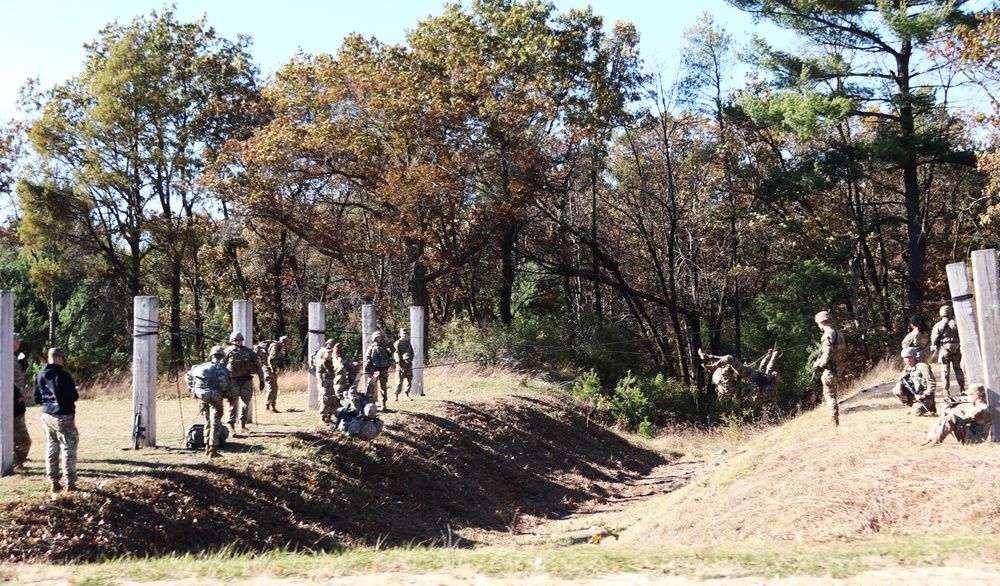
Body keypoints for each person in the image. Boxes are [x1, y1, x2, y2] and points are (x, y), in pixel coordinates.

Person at [33, 347, 79, 499]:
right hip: (63, 417)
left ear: (48, 359)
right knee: (69, 449)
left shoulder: (40, 374)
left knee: (52, 447)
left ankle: (54, 482)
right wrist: (74, 389)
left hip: (47, 416)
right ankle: (70, 483)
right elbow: (73, 396)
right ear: (60, 358)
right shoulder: (63, 375)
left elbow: (37, 398)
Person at [922, 384, 991, 446]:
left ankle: (936, 441)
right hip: (970, 433)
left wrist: (951, 414)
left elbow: (967, 418)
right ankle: (930, 439)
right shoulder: (974, 405)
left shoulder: (982, 408)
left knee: (951, 417)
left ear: (977, 395)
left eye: (970, 394)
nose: (968, 396)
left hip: (976, 439)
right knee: (945, 416)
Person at [224, 331, 265, 432]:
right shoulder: (227, 352)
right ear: (231, 341)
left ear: (242, 341)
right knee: (232, 404)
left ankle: (242, 425)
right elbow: (221, 367)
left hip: (246, 381)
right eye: (235, 340)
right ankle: (231, 426)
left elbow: (258, 366)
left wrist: (261, 379)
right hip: (233, 381)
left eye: (239, 340)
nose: (238, 342)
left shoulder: (249, 352)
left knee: (245, 404)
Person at [813, 311, 845, 426]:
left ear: (822, 322)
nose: (818, 326)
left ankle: (834, 421)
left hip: (831, 369)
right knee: (832, 393)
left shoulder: (828, 335)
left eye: (818, 323)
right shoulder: (838, 333)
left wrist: (819, 365)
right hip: (838, 366)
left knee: (829, 394)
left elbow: (827, 354)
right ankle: (833, 418)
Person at [202, 346, 231, 458]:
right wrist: (227, 395)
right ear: (222, 356)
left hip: (204, 398)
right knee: (216, 423)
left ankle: (206, 447)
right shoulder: (222, 368)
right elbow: (224, 385)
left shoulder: (204, 367)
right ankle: (213, 450)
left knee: (207, 422)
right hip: (216, 398)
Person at [930, 304, 966, 397]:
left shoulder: (938, 325)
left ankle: (945, 390)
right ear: (950, 313)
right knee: (958, 368)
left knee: (945, 369)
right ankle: (962, 388)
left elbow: (934, 339)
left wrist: (934, 349)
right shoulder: (956, 323)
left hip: (944, 349)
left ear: (941, 314)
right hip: (956, 347)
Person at [894, 347, 936, 416]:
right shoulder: (908, 367)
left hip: (925, 396)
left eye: (908, 357)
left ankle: (928, 408)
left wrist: (924, 395)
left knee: (916, 413)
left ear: (913, 357)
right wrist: (899, 386)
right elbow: (902, 378)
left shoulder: (923, 367)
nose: (906, 360)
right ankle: (913, 406)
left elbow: (932, 383)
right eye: (904, 358)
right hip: (915, 394)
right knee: (896, 390)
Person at [12, 333, 30, 471]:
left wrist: (23, 370)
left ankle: (17, 462)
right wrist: (20, 396)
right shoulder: (5, 358)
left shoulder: (14, 358)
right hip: (12, 401)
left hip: (17, 401)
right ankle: (15, 463)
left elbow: (18, 377)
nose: (19, 344)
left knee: (21, 439)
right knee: (20, 439)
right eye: (17, 341)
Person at [365, 331, 394, 410]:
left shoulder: (385, 346)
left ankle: (383, 403)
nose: (380, 338)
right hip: (374, 370)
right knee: (371, 387)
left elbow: (393, 351)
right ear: (374, 338)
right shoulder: (371, 348)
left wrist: (390, 343)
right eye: (378, 337)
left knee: (383, 387)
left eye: (380, 337)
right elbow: (367, 359)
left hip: (384, 369)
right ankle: (370, 402)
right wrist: (368, 371)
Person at [263, 335, 291, 412]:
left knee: (275, 388)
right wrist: (281, 353)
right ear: (282, 343)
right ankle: (267, 406)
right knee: (271, 387)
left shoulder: (280, 347)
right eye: (286, 344)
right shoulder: (274, 346)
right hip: (268, 369)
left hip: (273, 370)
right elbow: (273, 357)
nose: (286, 346)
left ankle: (273, 407)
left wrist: (281, 370)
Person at [315, 339, 337, 423]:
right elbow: (318, 373)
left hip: (332, 383)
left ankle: (329, 417)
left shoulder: (332, 362)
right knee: (325, 400)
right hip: (325, 384)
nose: (329, 354)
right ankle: (322, 418)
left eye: (331, 353)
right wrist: (322, 383)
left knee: (333, 400)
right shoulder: (321, 363)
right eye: (328, 353)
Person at [393, 327, 415, 401]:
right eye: (403, 333)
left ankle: (407, 395)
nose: (404, 335)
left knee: (409, 379)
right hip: (401, 365)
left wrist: (410, 359)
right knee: (399, 381)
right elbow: (396, 354)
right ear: (400, 334)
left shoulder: (408, 343)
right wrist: (399, 364)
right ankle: (396, 396)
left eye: (406, 333)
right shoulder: (398, 343)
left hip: (408, 365)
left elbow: (412, 353)